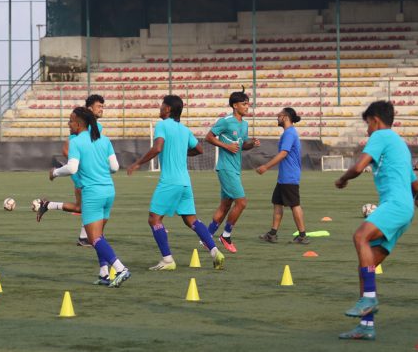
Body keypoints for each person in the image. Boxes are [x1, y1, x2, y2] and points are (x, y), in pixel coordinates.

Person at [334, 101, 417, 341]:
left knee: (360, 236)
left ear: (375, 120)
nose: (367, 131)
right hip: (406, 211)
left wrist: (343, 179)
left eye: (367, 125)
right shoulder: (401, 145)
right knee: (366, 266)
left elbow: (359, 166)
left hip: (394, 205)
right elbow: (415, 186)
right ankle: (366, 325)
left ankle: (369, 299)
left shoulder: (381, 135)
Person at [127, 95, 225, 271]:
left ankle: (167, 260)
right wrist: (181, 152)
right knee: (191, 220)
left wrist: (137, 163)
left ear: (168, 109)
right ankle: (215, 252)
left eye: (162, 105)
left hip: (170, 182)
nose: (160, 107)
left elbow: (157, 147)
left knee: (154, 219)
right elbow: (199, 149)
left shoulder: (162, 125)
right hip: (185, 182)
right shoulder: (184, 130)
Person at [48, 107, 129, 287]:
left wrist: (55, 172)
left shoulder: (76, 142)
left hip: (92, 193)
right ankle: (104, 274)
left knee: (93, 238)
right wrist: (99, 171)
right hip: (109, 191)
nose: (68, 124)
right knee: (99, 236)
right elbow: (115, 167)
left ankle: (120, 268)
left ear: (78, 124)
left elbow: (72, 168)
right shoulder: (105, 140)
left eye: (70, 121)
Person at [37, 94, 104, 247]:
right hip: (83, 174)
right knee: (91, 205)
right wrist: (81, 162)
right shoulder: (82, 128)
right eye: (99, 106)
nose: (102, 109)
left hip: (87, 172)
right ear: (89, 109)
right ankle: (90, 237)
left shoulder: (95, 127)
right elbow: (67, 149)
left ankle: (48, 205)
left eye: (102, 106)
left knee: (83, 206)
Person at [204, 89, 260, 253]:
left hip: (235, 168)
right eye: (244, 103)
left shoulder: (244, 124)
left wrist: (252, 143)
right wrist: (226, 145)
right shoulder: (226, 121)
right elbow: (209, 137)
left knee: (225, 205)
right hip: (225, 168)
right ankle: (226, 235)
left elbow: (242, 146)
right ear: (235, 105)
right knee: (241, 202)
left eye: (248, 103)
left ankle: (206, 237)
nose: (247, 106)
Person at [256, 107, 309, 244]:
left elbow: (283, 153)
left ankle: (302, 235)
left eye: (279, 114)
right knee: (277, 203)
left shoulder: (289, 133)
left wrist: (266, 167)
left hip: (289, 176)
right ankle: (272, 234)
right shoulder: (288, 133)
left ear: (285, 117)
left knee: (294, 205)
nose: (277, 116)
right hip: (284, 176)